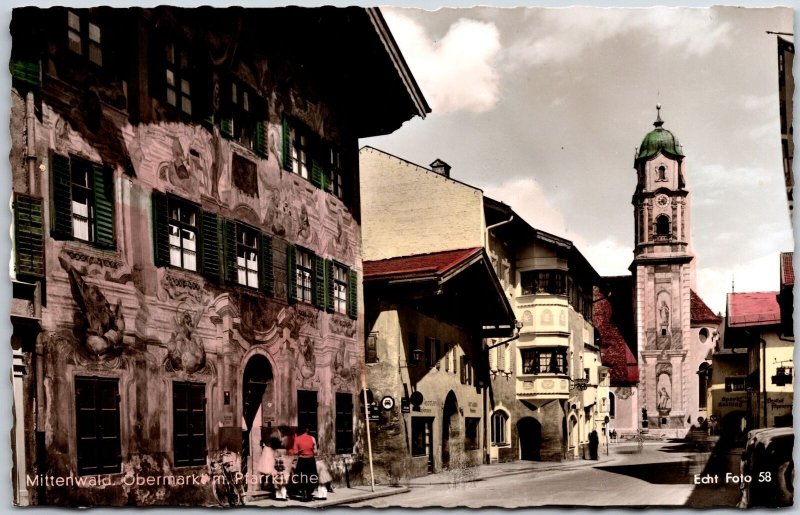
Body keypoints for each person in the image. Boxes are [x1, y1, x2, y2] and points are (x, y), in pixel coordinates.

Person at [289, 427, 318, 501]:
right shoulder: (312, 438)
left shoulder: (297, 439)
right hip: (311, 460)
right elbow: (315, 452)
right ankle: (309, 494)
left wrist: (300, 450)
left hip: (302, 460)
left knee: (302, 477)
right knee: (311, 476)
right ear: (307, 431)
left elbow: (295, 452)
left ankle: (304, 493)